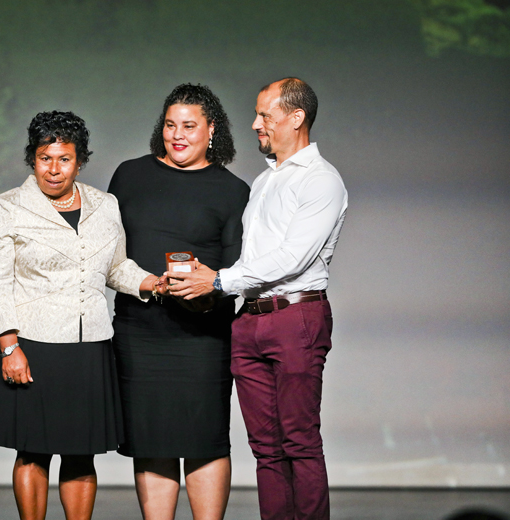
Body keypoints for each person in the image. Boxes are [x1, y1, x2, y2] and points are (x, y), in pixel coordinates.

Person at [168, 78, 348, 520]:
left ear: (296, 118)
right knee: (266, 448)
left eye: (265, 115)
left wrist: (218, 281)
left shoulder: (321, 180)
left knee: (299, 441)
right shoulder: (266, 180)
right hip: (249, 319)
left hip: (294, 316)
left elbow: (292, 258)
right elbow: (252, 256)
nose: (255, 124)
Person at [0, 111, 164, 520]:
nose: (54, 169)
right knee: (32, 451)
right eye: (45, 158)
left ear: (80, 161)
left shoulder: (105, 205)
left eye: (64, 159)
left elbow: (116, 267)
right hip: (32, 346)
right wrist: (9, 347)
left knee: (82, 453)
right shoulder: (7, 207)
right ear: (32, 158)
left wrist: (153, 283)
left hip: (89, 346)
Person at [107, 84, 250, 520]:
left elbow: (237, 271)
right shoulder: (129, 175)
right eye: (170, 125)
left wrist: (207, 289)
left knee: (206, 440)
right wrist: (151, 285)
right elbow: (109, 256)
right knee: (151, 440)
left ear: (212, 130)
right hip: (140, 330)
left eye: (189, 126)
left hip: (203, 335)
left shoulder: (233, 190)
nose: (178, 135)